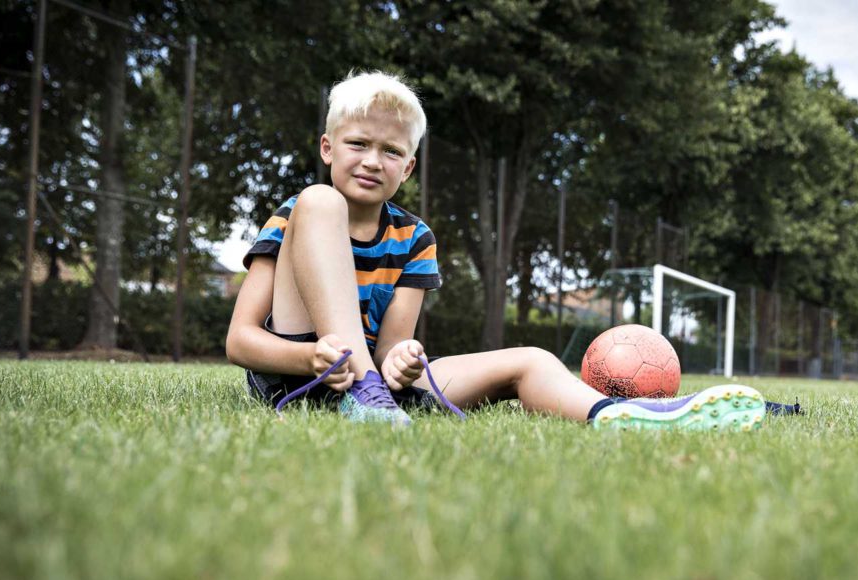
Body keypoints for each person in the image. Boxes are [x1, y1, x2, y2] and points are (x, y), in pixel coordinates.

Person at [225, 70, 768, 431]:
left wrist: (400, 362)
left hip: (380, 398)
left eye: (391, 151)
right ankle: (361, 390)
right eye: (358, 144)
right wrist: (312, 357)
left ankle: (621, 414)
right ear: (328, 147)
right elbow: (240, 341)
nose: (373, 161)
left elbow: (395, 347)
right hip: (304, 374)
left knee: (530, 358)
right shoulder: (299, 212)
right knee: (319, 202)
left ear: (408, 167)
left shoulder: (415, 239)